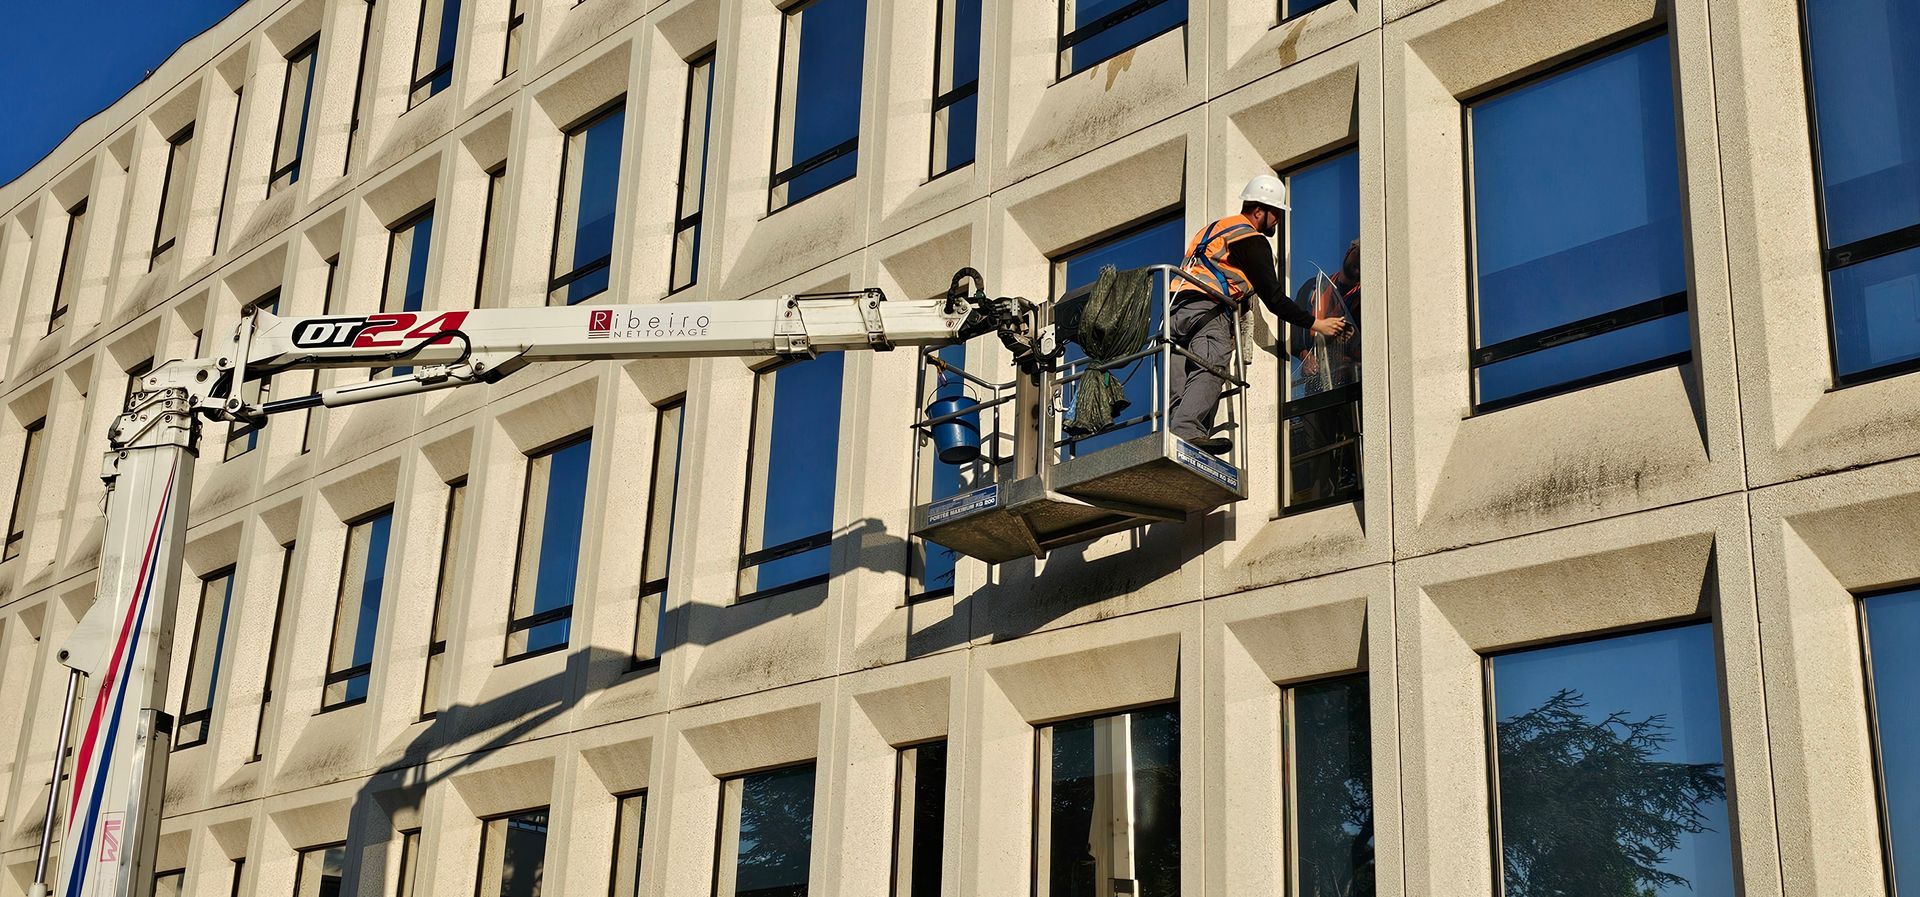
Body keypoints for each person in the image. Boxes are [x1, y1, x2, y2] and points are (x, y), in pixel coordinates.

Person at [1169, 175, 1350, 455]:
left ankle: (1176, 435)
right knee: (1211, 365)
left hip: (1176, 311)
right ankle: (1188, 432)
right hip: (1208, 310)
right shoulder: (1249, 239)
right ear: (1258, 211)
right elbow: (1274, 299)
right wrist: (1317, 324)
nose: (1277, 220)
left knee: (1182, 377)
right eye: (1275, 213)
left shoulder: (1215, 230)